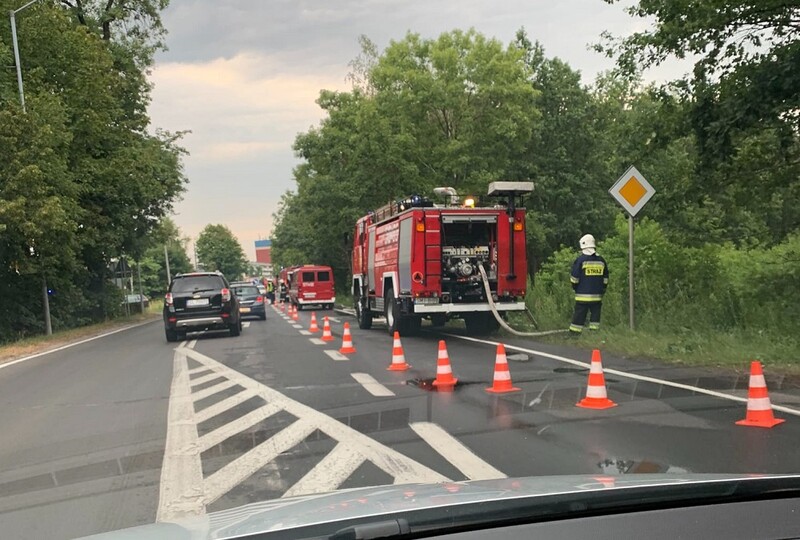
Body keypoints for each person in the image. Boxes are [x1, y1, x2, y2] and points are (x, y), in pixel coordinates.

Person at [569, 234, 609, 335]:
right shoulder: (601, 260)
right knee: (595, 318)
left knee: (579, 316)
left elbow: (574, 279)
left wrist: (575, 287)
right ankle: (594, 334)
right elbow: (605, 279)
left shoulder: (581, 260)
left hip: (582, 297)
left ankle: (574, 335)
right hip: (597, 297)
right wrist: (602, 289)